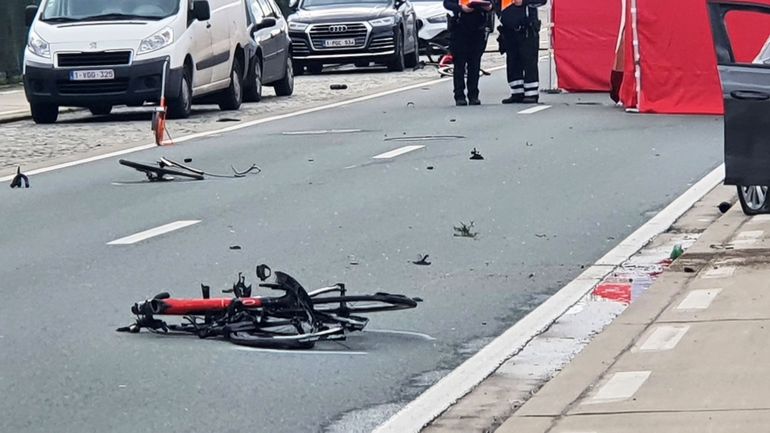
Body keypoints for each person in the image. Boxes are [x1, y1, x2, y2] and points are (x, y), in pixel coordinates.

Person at [444, 0, 493, 106]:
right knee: (459, 65)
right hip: (459, 30)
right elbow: (447, 3)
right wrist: (461, 8)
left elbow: (492, 4)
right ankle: (459, 95)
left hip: (478, 29)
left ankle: (473, 95)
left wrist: (489, 7)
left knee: (474, 64)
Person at [497, 0, 546, 104]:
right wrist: (500, 15)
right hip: (508, 29)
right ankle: (516, 92)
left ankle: (531, 93)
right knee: (512, 61)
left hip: (527, 29)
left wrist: (523, 1)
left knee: (529, 61)